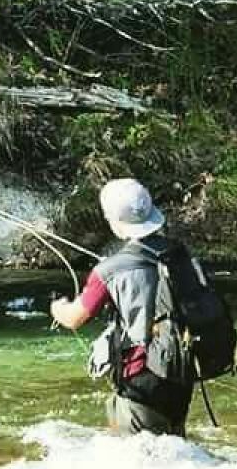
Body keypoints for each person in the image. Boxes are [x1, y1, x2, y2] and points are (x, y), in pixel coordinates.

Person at [50, 178, 194, 437]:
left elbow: (74, 319)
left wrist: (57, 307)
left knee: (139, 463)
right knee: (173, 451)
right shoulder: (180, 255)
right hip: (181, 374)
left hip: (140, 378)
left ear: (113, 221)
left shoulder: (109, 270)